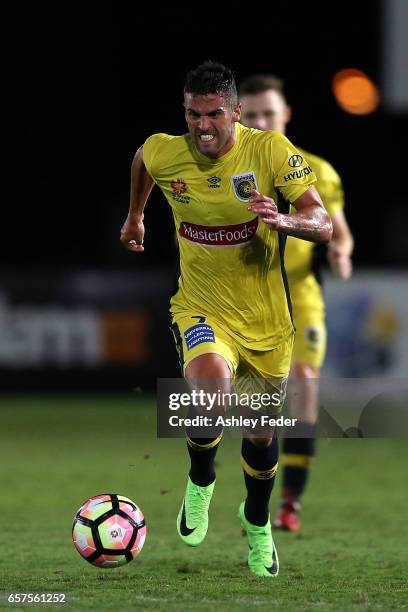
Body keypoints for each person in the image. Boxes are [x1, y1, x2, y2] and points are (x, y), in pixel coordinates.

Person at [120, 61, 332, 577]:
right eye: (193, 115)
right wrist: (135, 215)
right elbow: (142, 161)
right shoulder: (167, 149)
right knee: (209, 395)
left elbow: (321, 221)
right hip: (200, 306)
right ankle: (201, 481)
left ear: (236, 112)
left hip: (266, 321)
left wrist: (284, 220)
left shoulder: (270, 152)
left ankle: (257, 524)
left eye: (215, 114)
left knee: (260, 434)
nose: (204, 126)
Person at [239, 74, 354, 532]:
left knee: (304, 383)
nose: (262, 122)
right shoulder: (230, 172)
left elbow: (339, 232)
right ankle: (256, 499)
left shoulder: (318, 172)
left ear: (286, 115)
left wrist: (340, 251)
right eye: (252, 115)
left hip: (301, 296)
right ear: (236, 118)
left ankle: (291, 502)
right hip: (248, 301)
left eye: (269, 113)